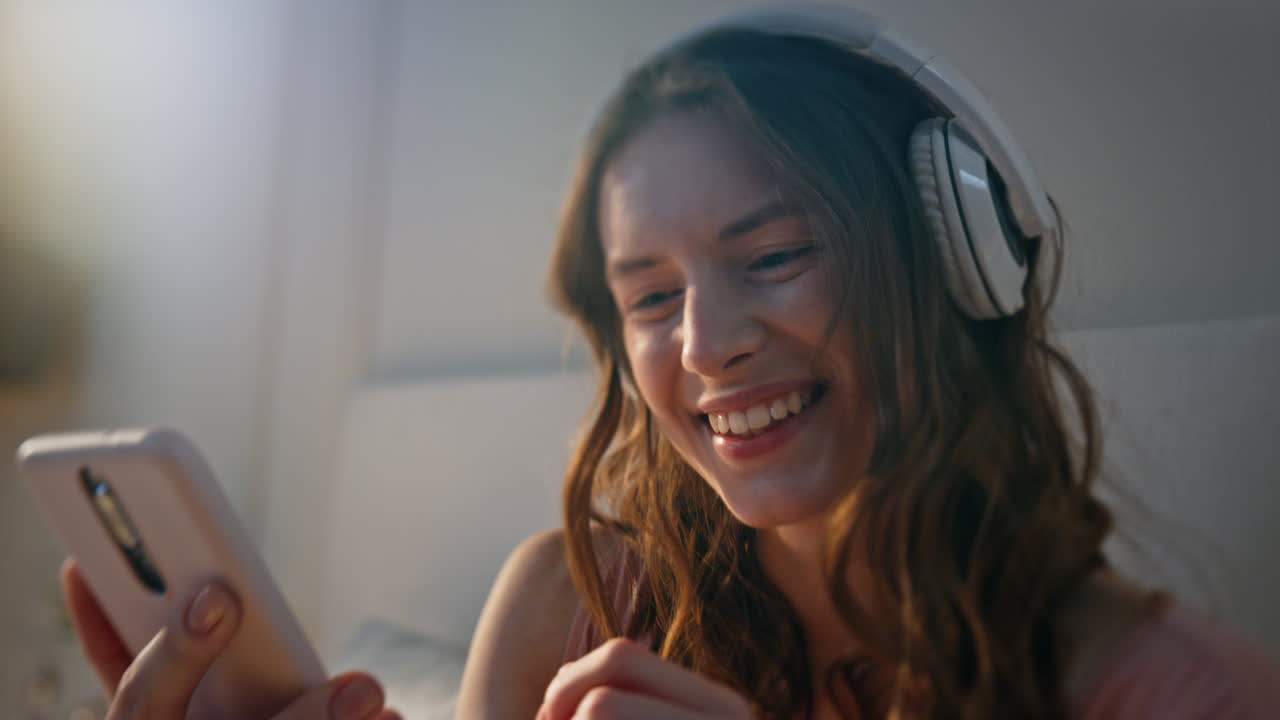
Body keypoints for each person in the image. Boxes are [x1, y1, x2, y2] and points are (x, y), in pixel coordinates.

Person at [63, 5, 1280, 720]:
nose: (703, 346)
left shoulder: (1171, 691)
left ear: (955, 260)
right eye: (648, 297)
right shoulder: (564, 608)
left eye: (777, 253)